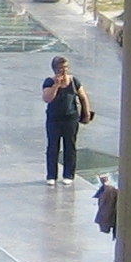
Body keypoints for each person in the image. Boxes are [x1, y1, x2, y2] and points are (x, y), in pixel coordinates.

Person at [41, 54, 92, 186]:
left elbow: (83, 97)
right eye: (60, 68)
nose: (63, 70)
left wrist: (86, 113)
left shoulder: (73, 81)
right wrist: (56, 86)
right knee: (53, 146)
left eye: (65, 67)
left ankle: (69, 174)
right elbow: (47, 98)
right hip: (54, 119)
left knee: (70, 146)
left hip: (71, 118)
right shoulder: (49, 82)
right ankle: (51, 175)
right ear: (54, 69)